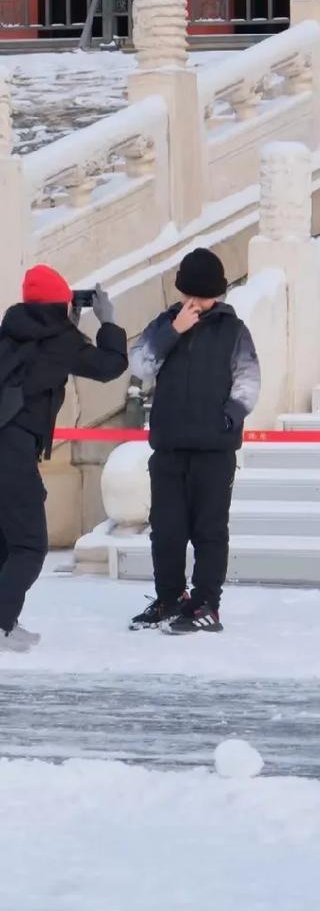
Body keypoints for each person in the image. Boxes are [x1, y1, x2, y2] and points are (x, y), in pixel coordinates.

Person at [128, 247, 261, 634]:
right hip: (169, 447)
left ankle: (206, 603)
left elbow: (249, 380)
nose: (194, 303)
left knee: (209, 530)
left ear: (216, 294)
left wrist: (228, 417)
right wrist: (174, 332)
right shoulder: (165, 323)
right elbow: (140, 365)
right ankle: (170, 598)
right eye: (188, 295)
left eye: (201, 296)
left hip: (214, 451)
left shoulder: (233, 330)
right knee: (166, 530)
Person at [0, 266, 128, 652]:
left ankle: (6, 621)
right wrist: (108, 322)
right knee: (29, 546)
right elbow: (109, 366)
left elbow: (41, 354)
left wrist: (67, 324)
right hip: (13, 450)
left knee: (6, 544)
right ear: (60, 303)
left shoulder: (10, 331)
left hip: (8, 445)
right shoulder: (60, 341)